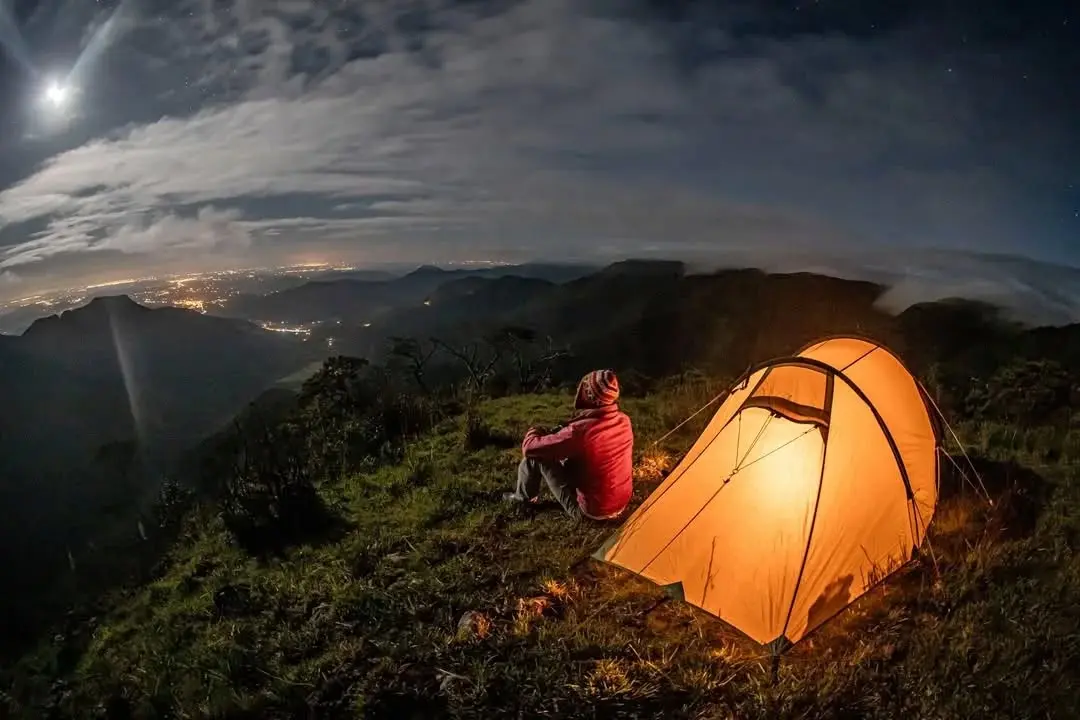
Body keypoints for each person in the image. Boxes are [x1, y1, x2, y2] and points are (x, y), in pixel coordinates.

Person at [504, 369, 634, 520]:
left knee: (535, 457)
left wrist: (535, 430)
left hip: (592, 512)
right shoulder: (624, 420)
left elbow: (530, 448)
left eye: (584, 387)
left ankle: (522, 500)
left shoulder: (579, 432)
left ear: (589, 395)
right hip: (621, 503)